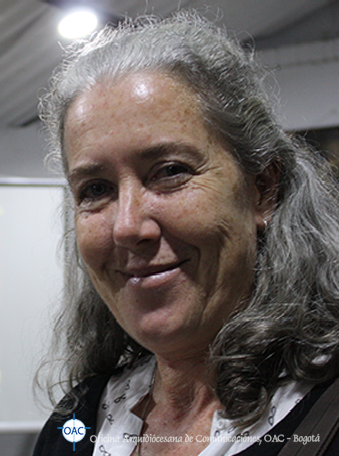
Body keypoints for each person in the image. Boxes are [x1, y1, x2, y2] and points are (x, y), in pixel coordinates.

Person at [33, 12, 339, 456]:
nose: (127, 226)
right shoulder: (77, 426)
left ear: (262, 189)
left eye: (170, 171)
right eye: (95, 190)